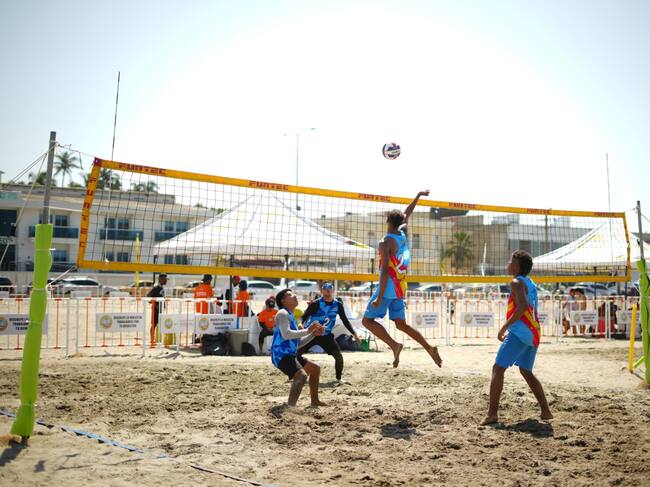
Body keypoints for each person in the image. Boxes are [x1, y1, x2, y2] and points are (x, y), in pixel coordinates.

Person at [361, 190, 442, 368]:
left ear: (388, 221)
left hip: (387, 288)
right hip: (399, 288)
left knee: (367, 321)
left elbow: (384, 272)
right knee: (401, 324)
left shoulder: (385, 243)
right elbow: (407, 213)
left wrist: (379, 297)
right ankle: (429, 348)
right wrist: (418, 196)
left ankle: (394, 345)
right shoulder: (402, 234)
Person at [482, 250, 553, 425]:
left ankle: (492, 414)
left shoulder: (516, 282)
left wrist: (504, 327)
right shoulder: (530, 282)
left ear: (516, 266)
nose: (508, 264)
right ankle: (546, 411)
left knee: (498, 369)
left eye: (510, 261)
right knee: (526, 371)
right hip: (534, 332)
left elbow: (522, 306)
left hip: (520, 332)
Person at [272, 289, 326, 407]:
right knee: (301, 376)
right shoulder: (282, 313)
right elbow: (286, 334)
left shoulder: (291, 316)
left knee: (315, 369)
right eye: (290, 295)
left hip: (290, 354)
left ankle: (315, 401)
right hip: (281, 355)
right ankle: (290, 407)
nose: (294, 295)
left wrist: (313, 334)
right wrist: (307, 330)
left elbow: (298, 344)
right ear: (283, 301)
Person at [298, 282, 361, 382]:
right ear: (322, 291)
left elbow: (345, 320)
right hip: (311, 334)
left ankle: (338, 379)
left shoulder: (338, 305)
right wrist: (301, 324)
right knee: (296, 354)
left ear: (333, 290)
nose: (328, 290)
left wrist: (354, 334)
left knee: (338, 357)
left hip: (325, 335)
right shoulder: (315, 303)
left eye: (330, 288)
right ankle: (296, 375)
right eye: (325, 288)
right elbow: (304, 317)